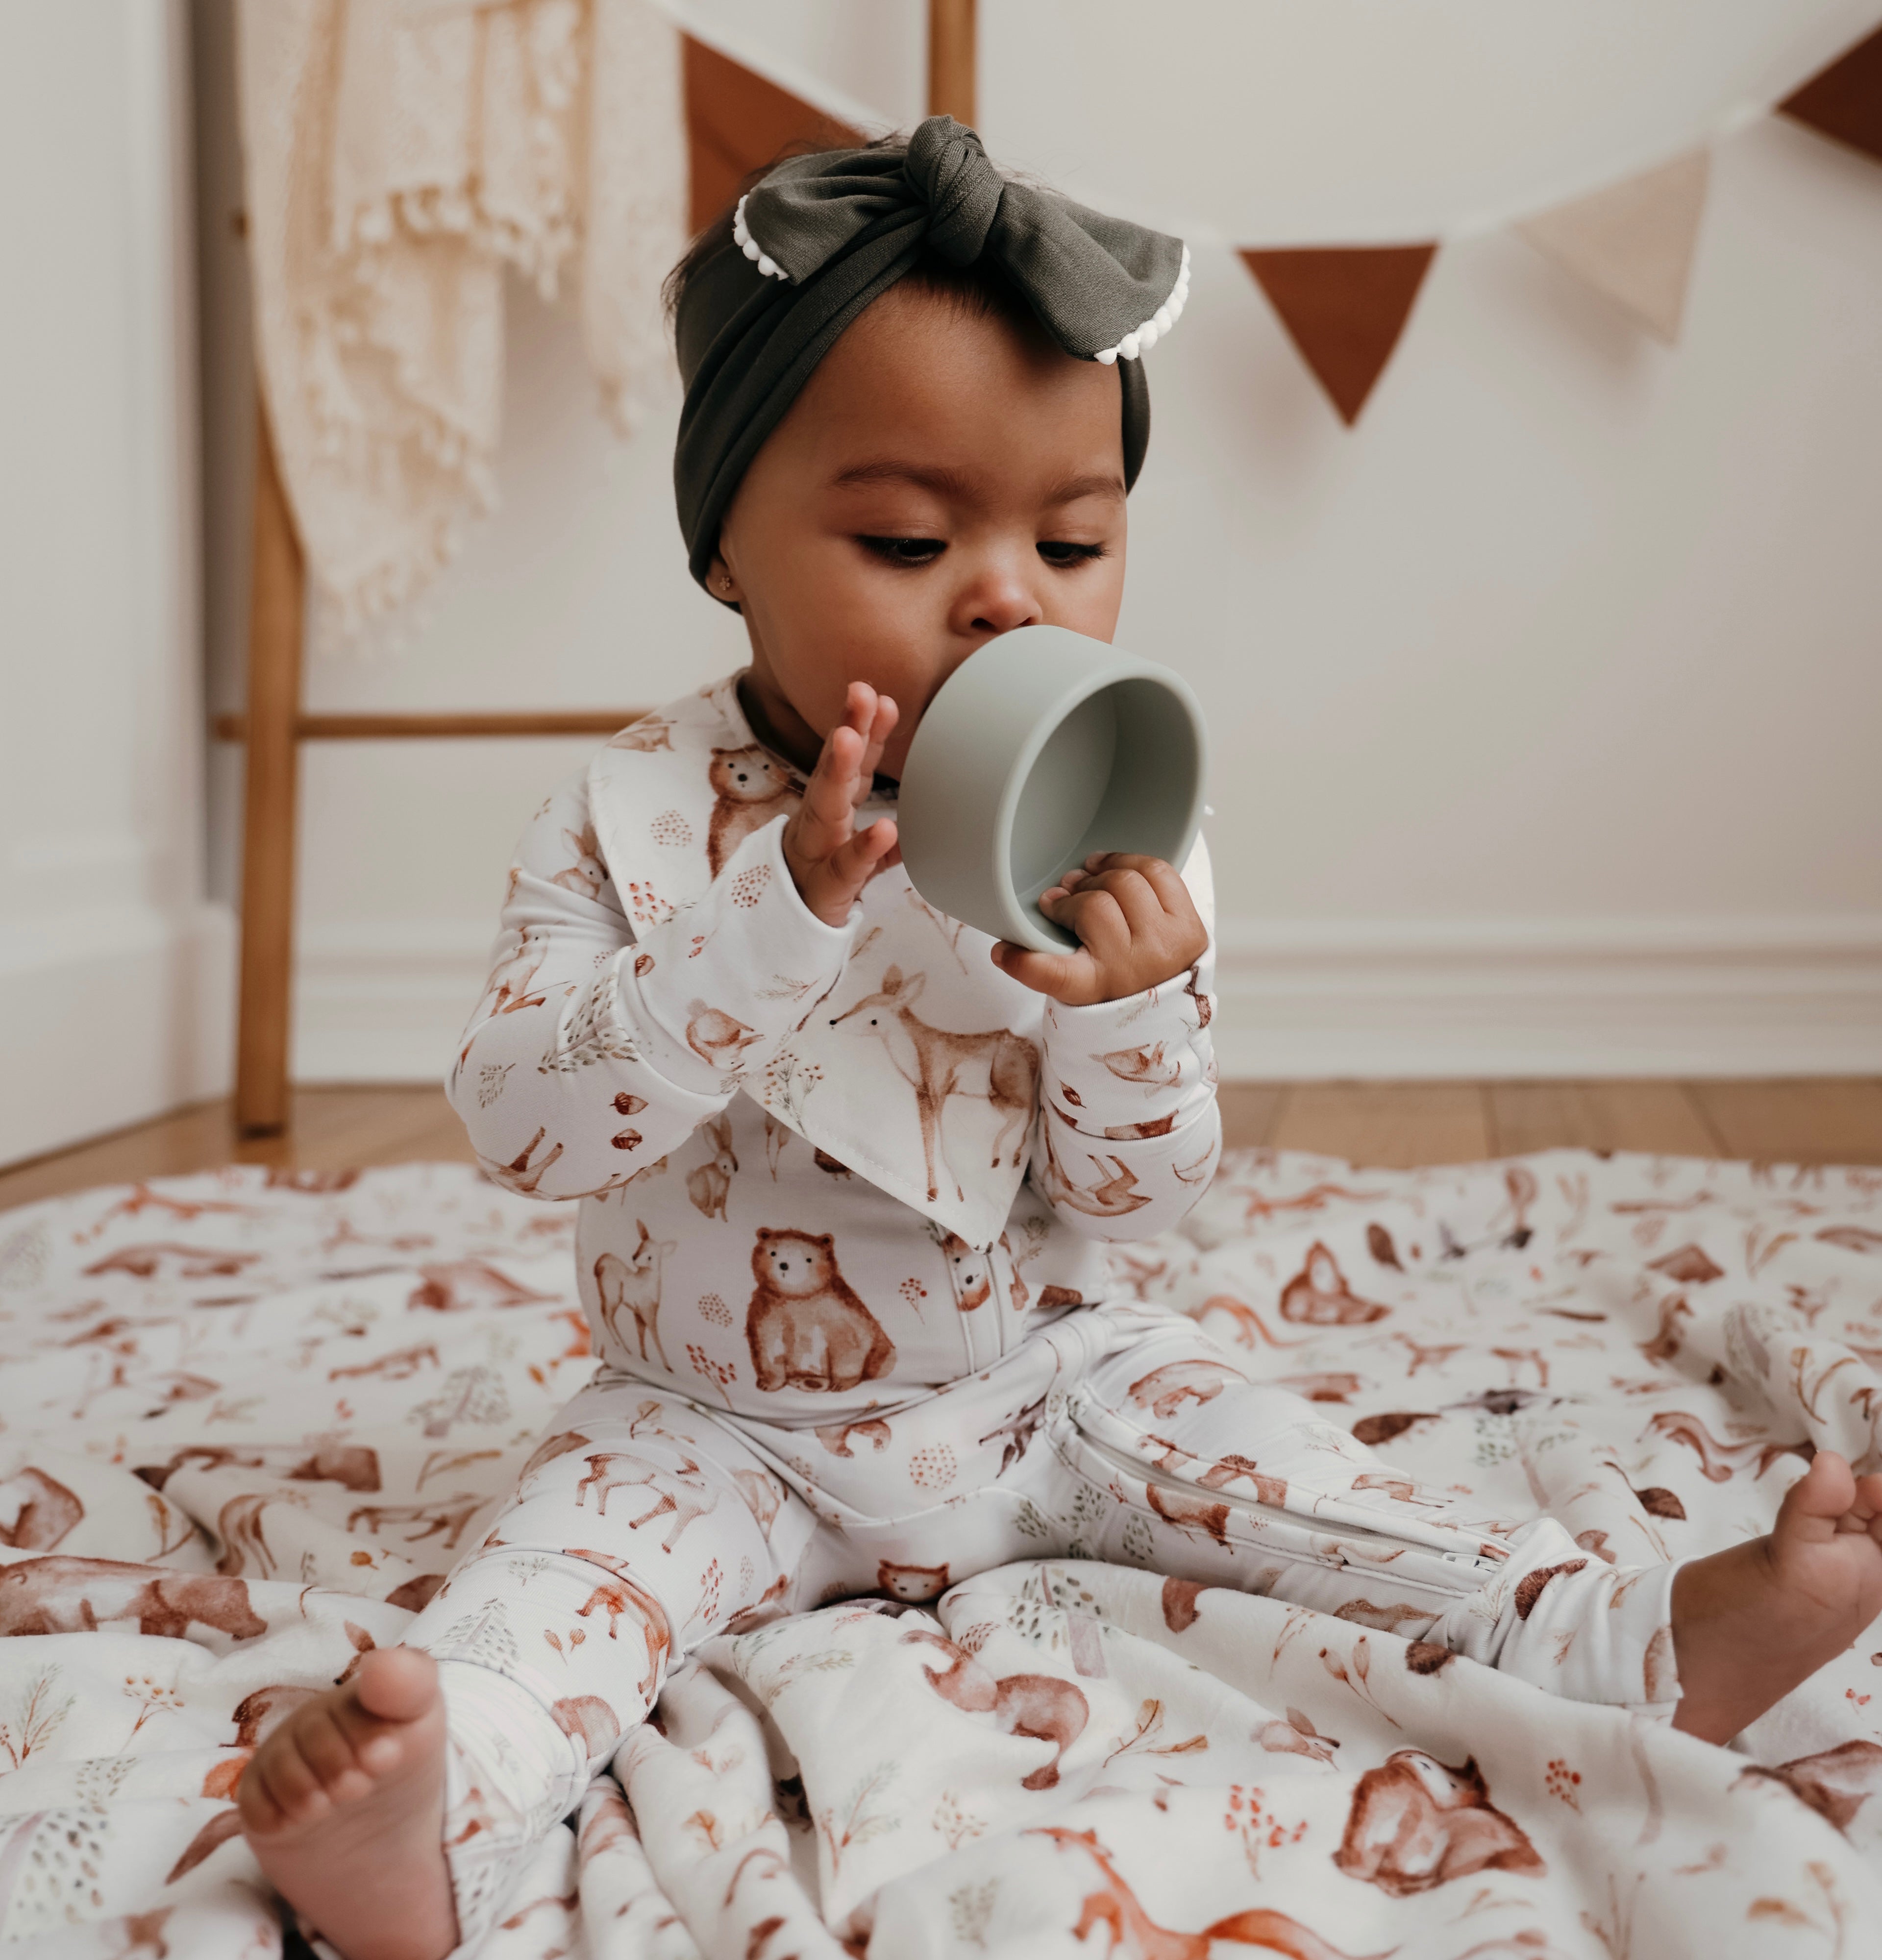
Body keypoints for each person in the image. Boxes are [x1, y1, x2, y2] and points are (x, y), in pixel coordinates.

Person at [238, 119, 1882, 1960]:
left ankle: (1642, 1635)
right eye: (906, 537)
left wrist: (1134, 1022)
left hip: (1042, 1377)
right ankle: (422, 1821)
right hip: (716, 1421)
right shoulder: (627, 815)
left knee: (1309, 1477)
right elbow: (529, 1127)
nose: (1006, 594)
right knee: (554, 1580)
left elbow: (1143, 1200)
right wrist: (769, 915)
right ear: (725, 551)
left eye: (1074, 538)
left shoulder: (1113, 810)